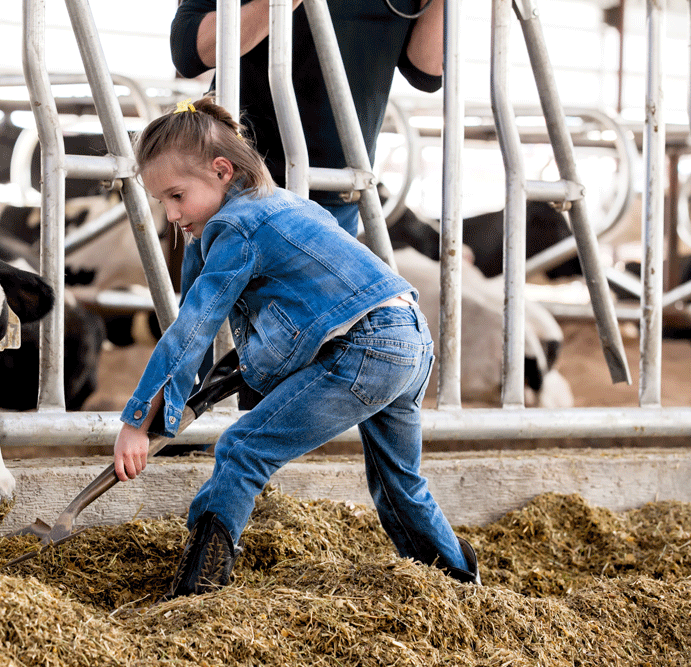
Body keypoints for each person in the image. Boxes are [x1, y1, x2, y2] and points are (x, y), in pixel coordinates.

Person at [114, 96, 479, 599]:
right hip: (408, 338)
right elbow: (280, 311)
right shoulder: (282, 203)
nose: (172, 214)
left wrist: (137, 422)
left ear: (222, 171)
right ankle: (462, 583)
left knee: (243, 448)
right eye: (162, 202)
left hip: (366, 347)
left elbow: (192, 328)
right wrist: (196, 390)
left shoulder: (235, 228)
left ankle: (196, 594)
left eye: (177, 196)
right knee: (400, 482)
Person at [170, 0, 444, 236]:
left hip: (338, 186)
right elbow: (189, 50)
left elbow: (426, 71)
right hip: (237, 181)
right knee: (220, 296)